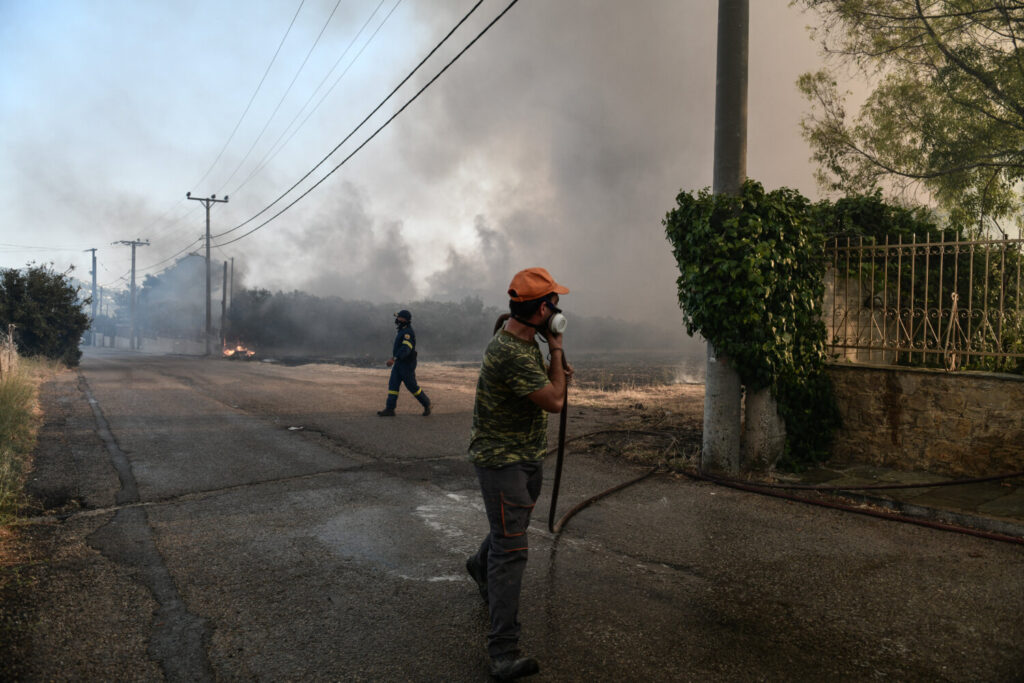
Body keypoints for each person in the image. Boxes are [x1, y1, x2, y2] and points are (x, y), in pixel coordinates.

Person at [465, 267, 572, 681]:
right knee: (512, 551)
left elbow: (548, 389)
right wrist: (558, 353)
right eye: (555, 303)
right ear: (544, 309)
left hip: (526, 454)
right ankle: (503, 652)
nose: (559, 310)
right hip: (502, 460)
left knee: (510, 529)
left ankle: (478, 563)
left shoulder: (526, 341)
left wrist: (551, 356)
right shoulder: (510, 350)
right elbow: (555, 401)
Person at [377, 309, 431, 417]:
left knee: (412, 387)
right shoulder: (401, 330)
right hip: (399, 364)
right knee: (393, 385)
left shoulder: (408, 333)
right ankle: (390, 409)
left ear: (404, 319)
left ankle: (426, 404)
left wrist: (394, 358)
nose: (397, 319)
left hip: (406, 364)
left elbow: (406, 348)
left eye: (399, 317)